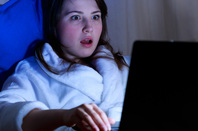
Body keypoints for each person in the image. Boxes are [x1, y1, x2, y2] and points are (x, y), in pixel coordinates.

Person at [0, 0, 130, 130]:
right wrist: (65, 116)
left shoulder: (121, 64)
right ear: (54, 24)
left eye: (95, 16)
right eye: (76, 17)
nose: (89, 28)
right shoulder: (32, 72)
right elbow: (4, 112)